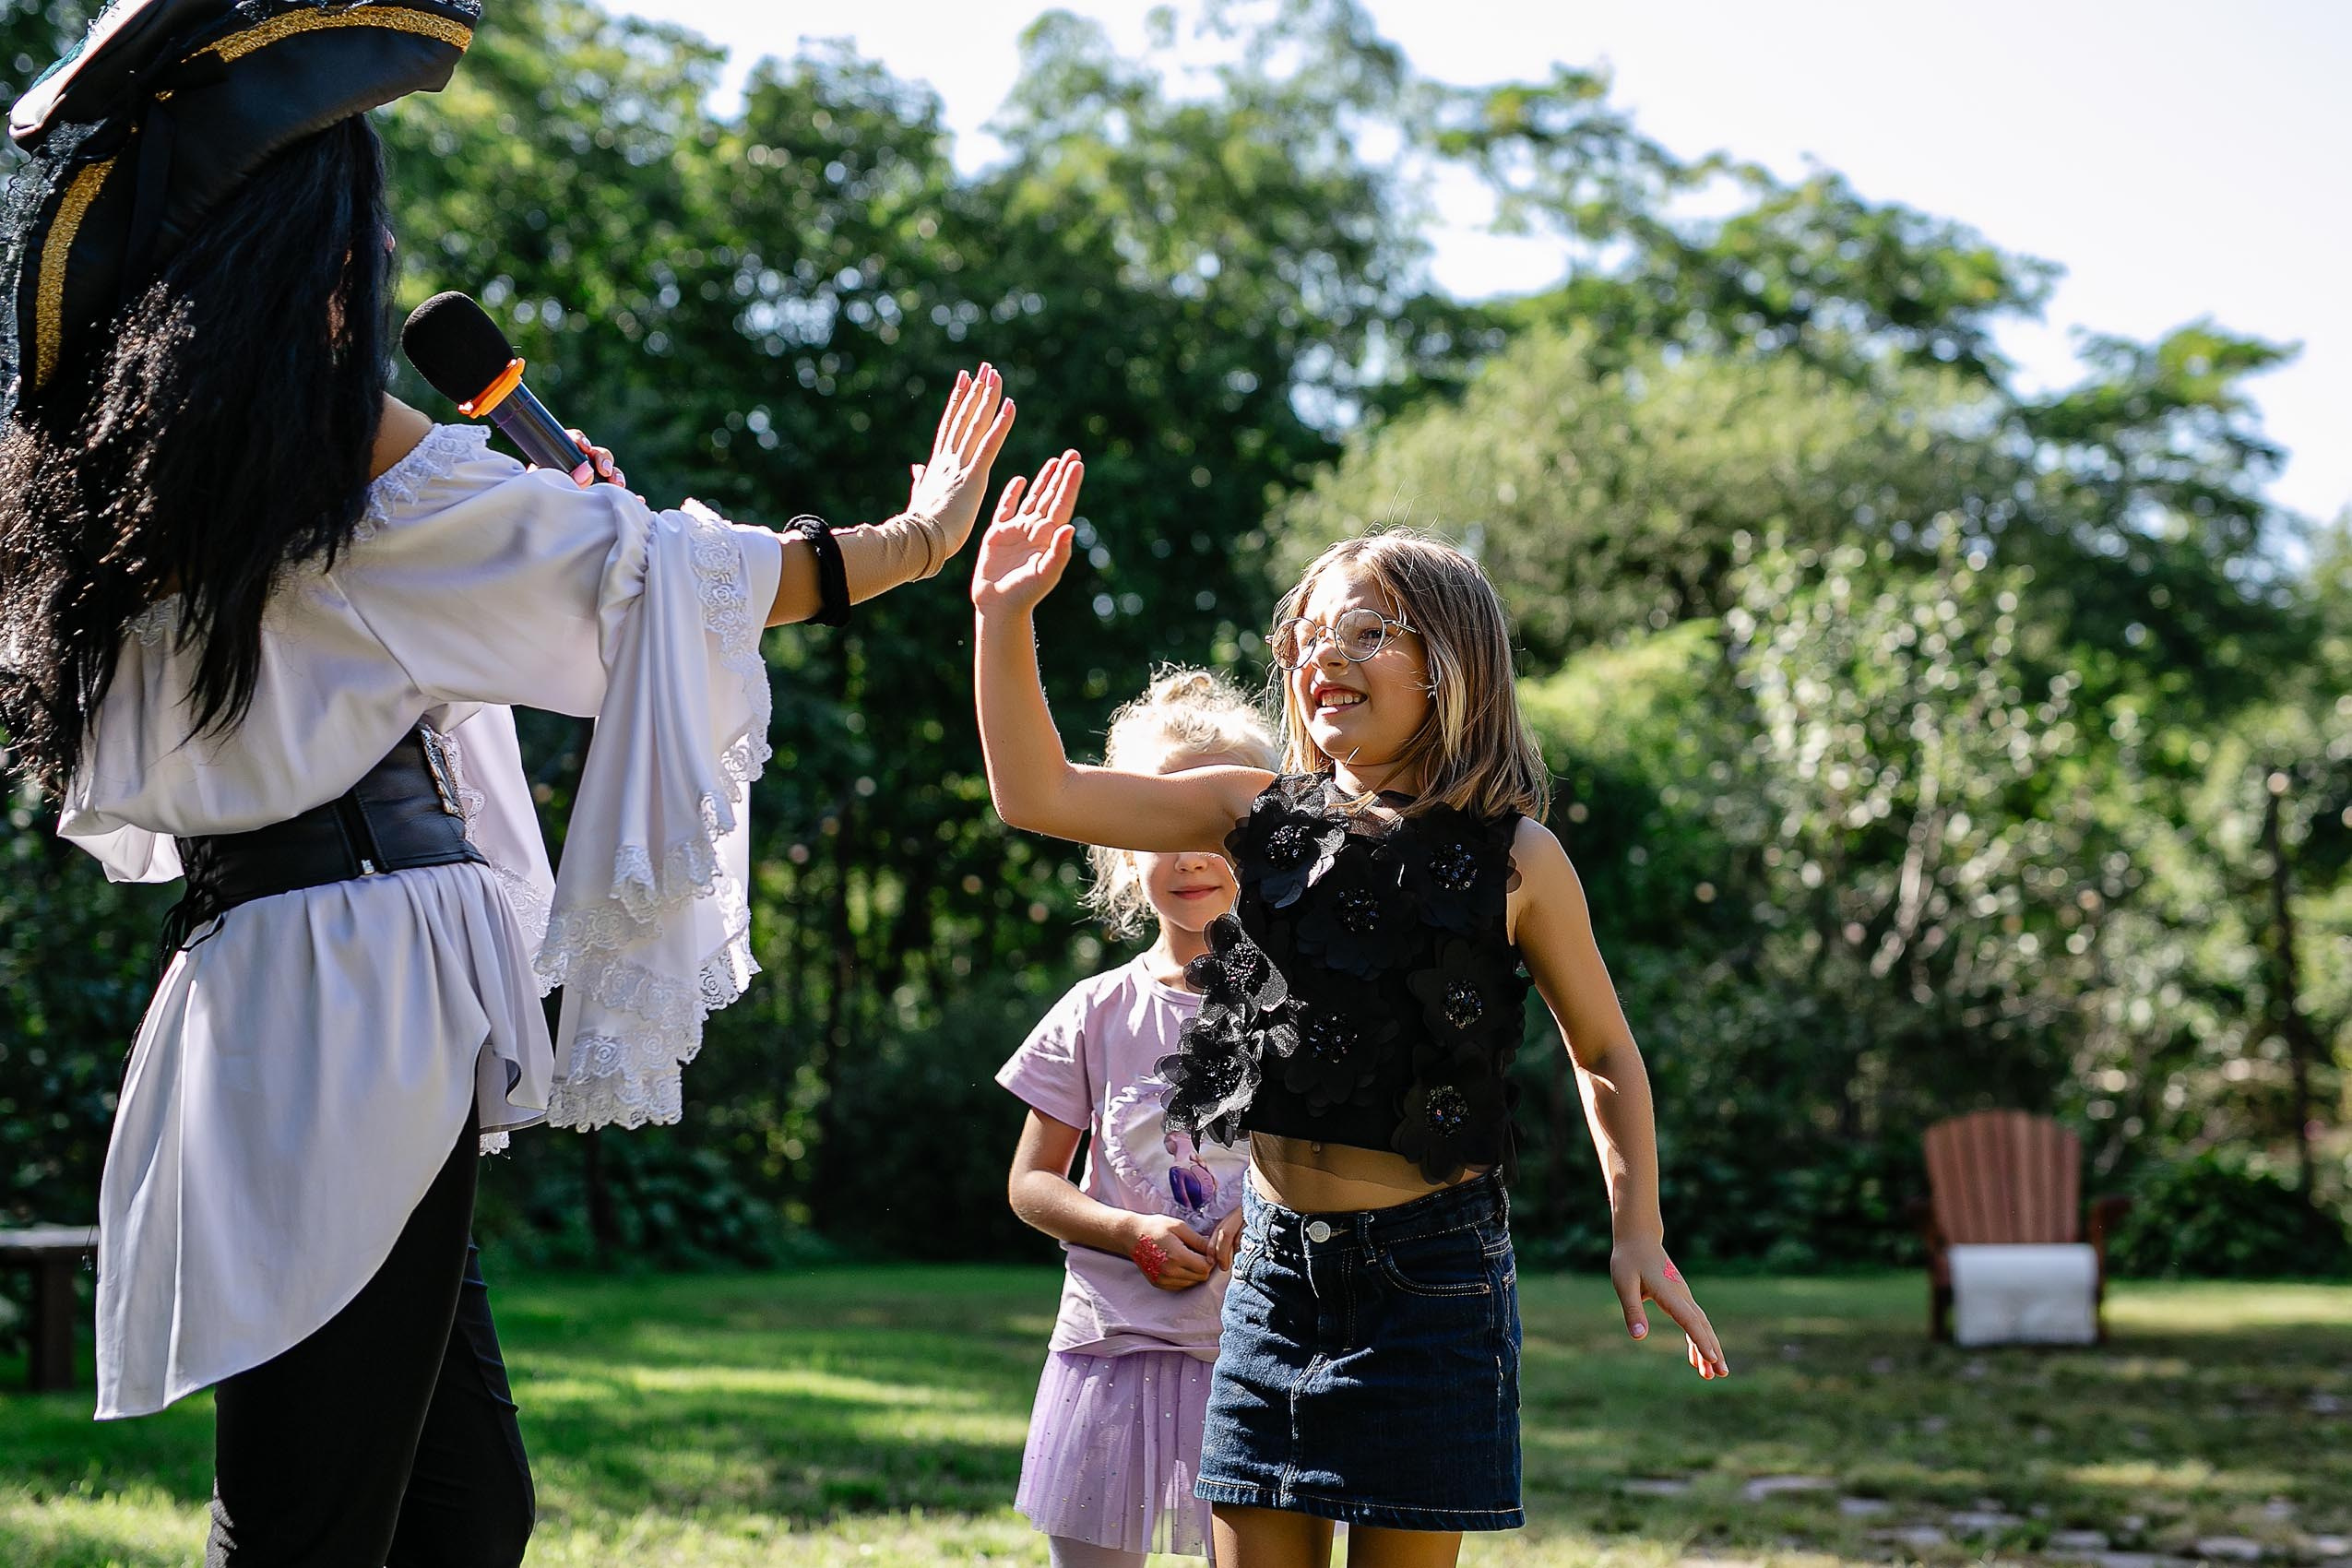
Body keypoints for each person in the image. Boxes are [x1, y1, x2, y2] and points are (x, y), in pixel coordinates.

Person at [0, 4, 1015, 1561]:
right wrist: (921, 538)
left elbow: (478, 620)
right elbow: (676, 578)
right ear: (315, 267)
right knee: (310, 1523)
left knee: (464, 1512)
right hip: (351, 999)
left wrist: (537, 514)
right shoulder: (361, 477)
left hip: (304, 982)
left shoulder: (157, 469)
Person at [971, 457, 1730, 1568]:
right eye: (1312, 635)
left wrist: (1639, 1226)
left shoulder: (1516, 859)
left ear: (1450, 665)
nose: (1327, 653)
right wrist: (1002, 617)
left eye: (1370, 632)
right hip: (1274, 1278)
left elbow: (1604, 1047)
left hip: (1433, 1280)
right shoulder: (1252, 812)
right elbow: (1037, 792)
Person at [999, 668, 1280, 1568]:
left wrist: (1266, 1212)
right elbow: (1032, 1183)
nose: (1195, 853)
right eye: (1166, 824)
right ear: (1123, 845)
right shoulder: (1094, 1010)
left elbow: (1331, 1159)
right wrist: (1128, 1230)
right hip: (1106, 1352)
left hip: (1258, 1351)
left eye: (1217, 828)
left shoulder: (1299, 1004)